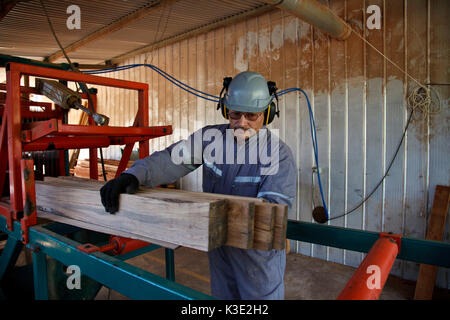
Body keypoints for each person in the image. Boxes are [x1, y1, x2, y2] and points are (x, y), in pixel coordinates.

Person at [100, 71, 297, 299]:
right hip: (219, 249)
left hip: (256, 260)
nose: (242, 123)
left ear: (267, 113)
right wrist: (133, 175)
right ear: (225, 110)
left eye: (251, 116)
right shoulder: (210, 139)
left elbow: (267, 217)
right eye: (235, 114)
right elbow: (170, 160)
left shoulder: (279, 156)